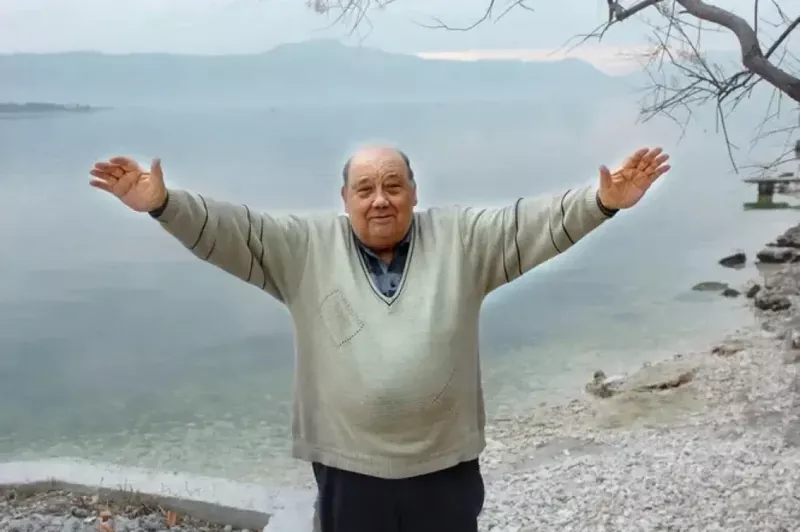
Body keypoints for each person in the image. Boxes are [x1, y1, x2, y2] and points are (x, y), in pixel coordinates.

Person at [89, 145, 670, 532]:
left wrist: (602, 203)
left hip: (444, 464)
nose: (380, 199)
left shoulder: (463, 240)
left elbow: (532, 223)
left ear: (414, 193)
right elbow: (231, 230)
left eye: (393, 185)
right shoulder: (303, 250)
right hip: (350, 469)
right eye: (364, 188)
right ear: (344, 201)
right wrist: (163, 205)